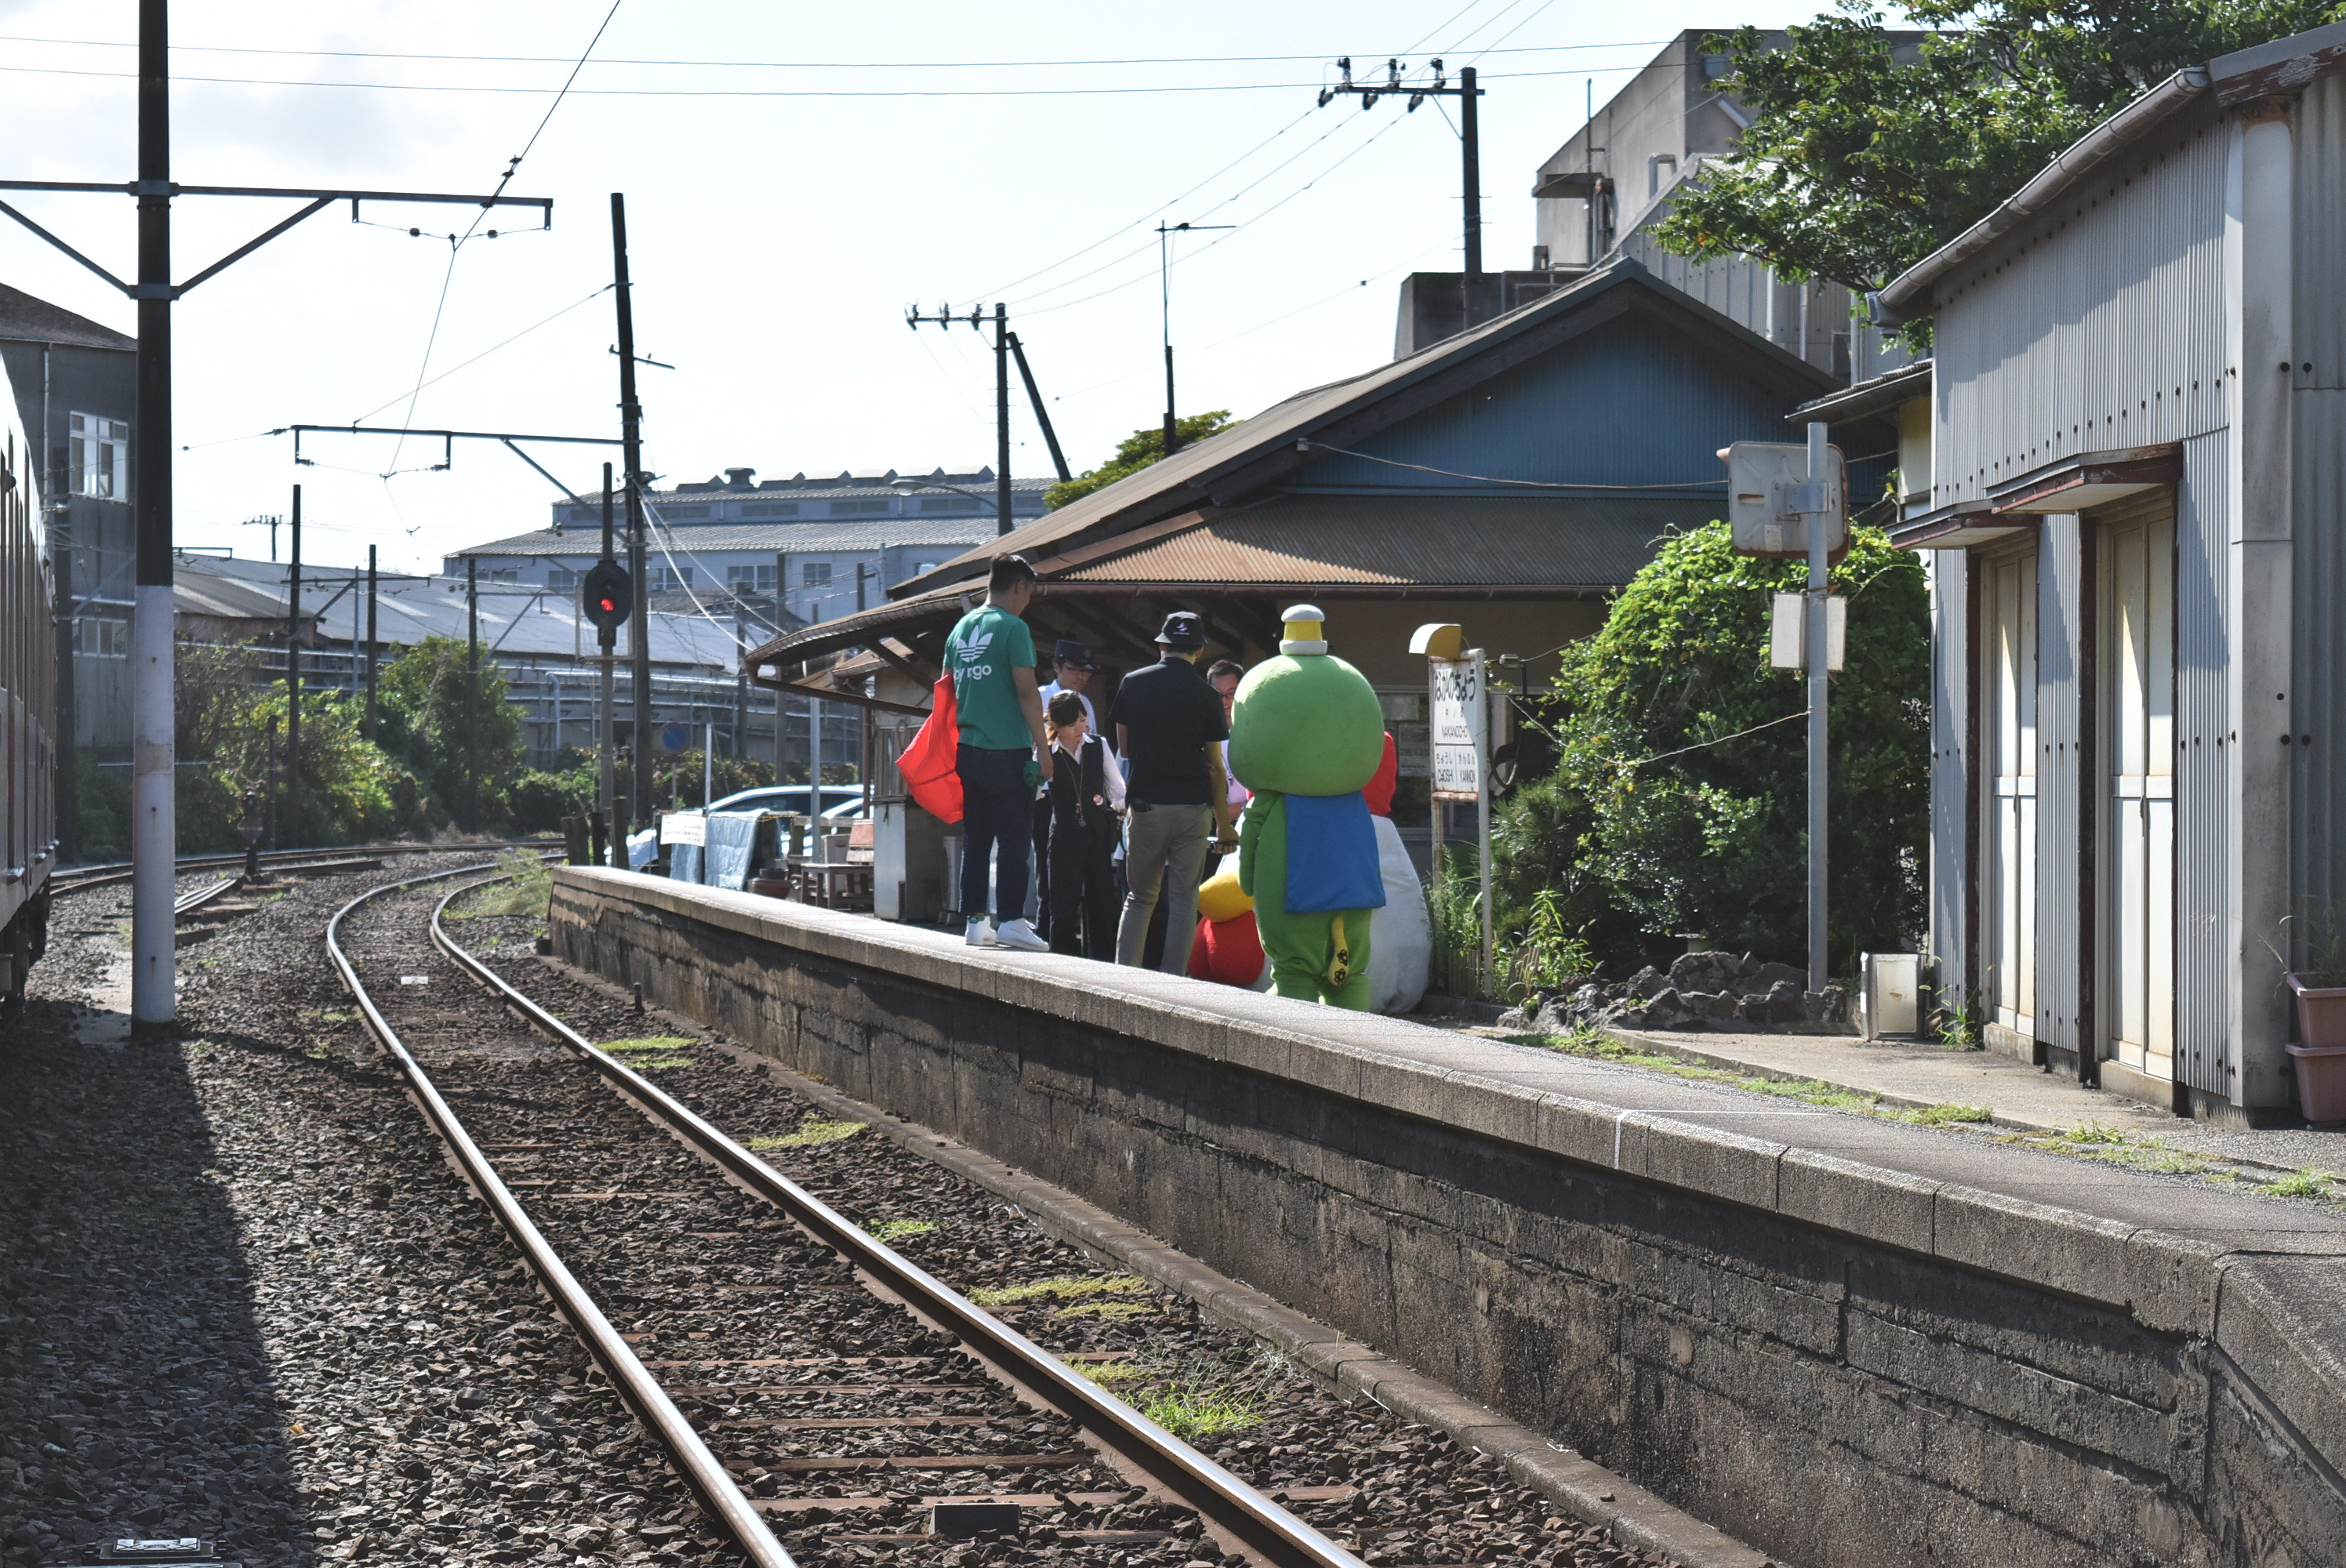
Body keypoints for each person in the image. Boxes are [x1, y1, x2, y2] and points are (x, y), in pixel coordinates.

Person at [1108, 611, 1235, 973]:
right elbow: (1215, 766)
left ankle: (1125, 979)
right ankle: (1174, 983)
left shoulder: (1132, 683)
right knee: (1183, 901)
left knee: (1140, 898)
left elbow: (1126, 749)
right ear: (1199, 650)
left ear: (1162, 645)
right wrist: (1224, 826)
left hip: (1147, 805)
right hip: (1193, 808)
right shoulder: (1208, 696)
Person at [946, 554, 1051, 951]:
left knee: (976, 840)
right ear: (1020, 587)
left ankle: (975, 921)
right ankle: (1011, 920)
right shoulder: (1014, 628)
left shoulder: (960, 629)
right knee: (1013, 839)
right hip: (1008, 752)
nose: (1028, 600)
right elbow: (1027, 690)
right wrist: (1044, 750)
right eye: (1030, 592)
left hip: (968, 751)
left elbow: (948, 691)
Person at [1042, 690, 1123, 959]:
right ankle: (1064, 960)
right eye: (1073, 722)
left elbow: (1118, 789)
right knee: (1063, 903)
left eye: (1083, 720)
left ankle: (1103, 960)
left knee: (1101, 902)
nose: (1081, 727)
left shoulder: (1098, 745)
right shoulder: (1046, 753)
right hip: (1064, 835)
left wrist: (1123, 812)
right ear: (1055, 725)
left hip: (1097, 833)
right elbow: (1034, 791)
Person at [1031, 639, 1101, 938]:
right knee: (1050, 869)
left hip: (1081, 796)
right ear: (1057, 666)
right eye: (1074, 670)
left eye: (1086, 672)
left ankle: (1078, 934)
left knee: (1087, 870)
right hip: (1047, 792)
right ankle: (1048, 930)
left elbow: (1093, 747)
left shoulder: (1086, 704)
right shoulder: (1039, 696)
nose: (1081, 677)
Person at [1202, 658, 1250, 878]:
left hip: (1251, 822)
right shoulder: (1200, 733)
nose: (1225, 701)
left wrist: (1241, 809)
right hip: (1213, 828)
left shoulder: (1255, 730)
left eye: (1232, 692)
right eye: (1217, 694)